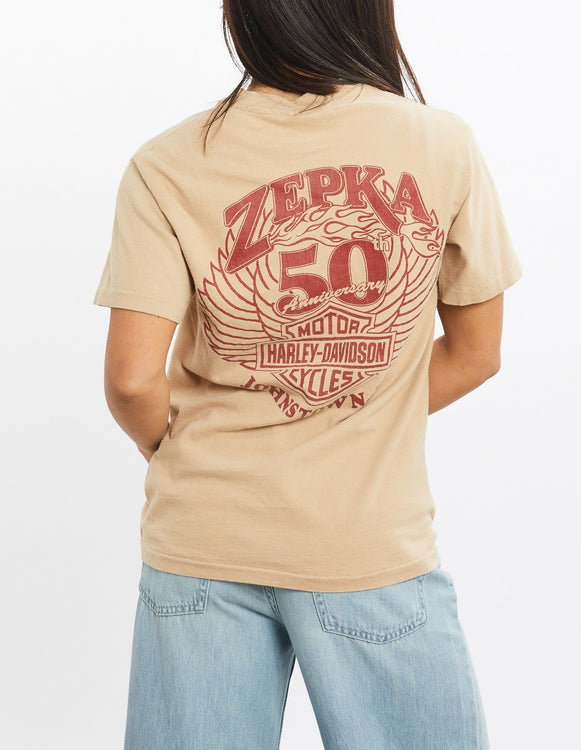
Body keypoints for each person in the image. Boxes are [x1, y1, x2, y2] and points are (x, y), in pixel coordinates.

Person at [92, 1, 522, 748]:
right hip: (367, 542)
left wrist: (167, 444)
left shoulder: (167, 162)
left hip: (203, 538)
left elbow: (131, 379)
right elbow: (476, 352)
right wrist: (360, 413)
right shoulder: (440, 144)